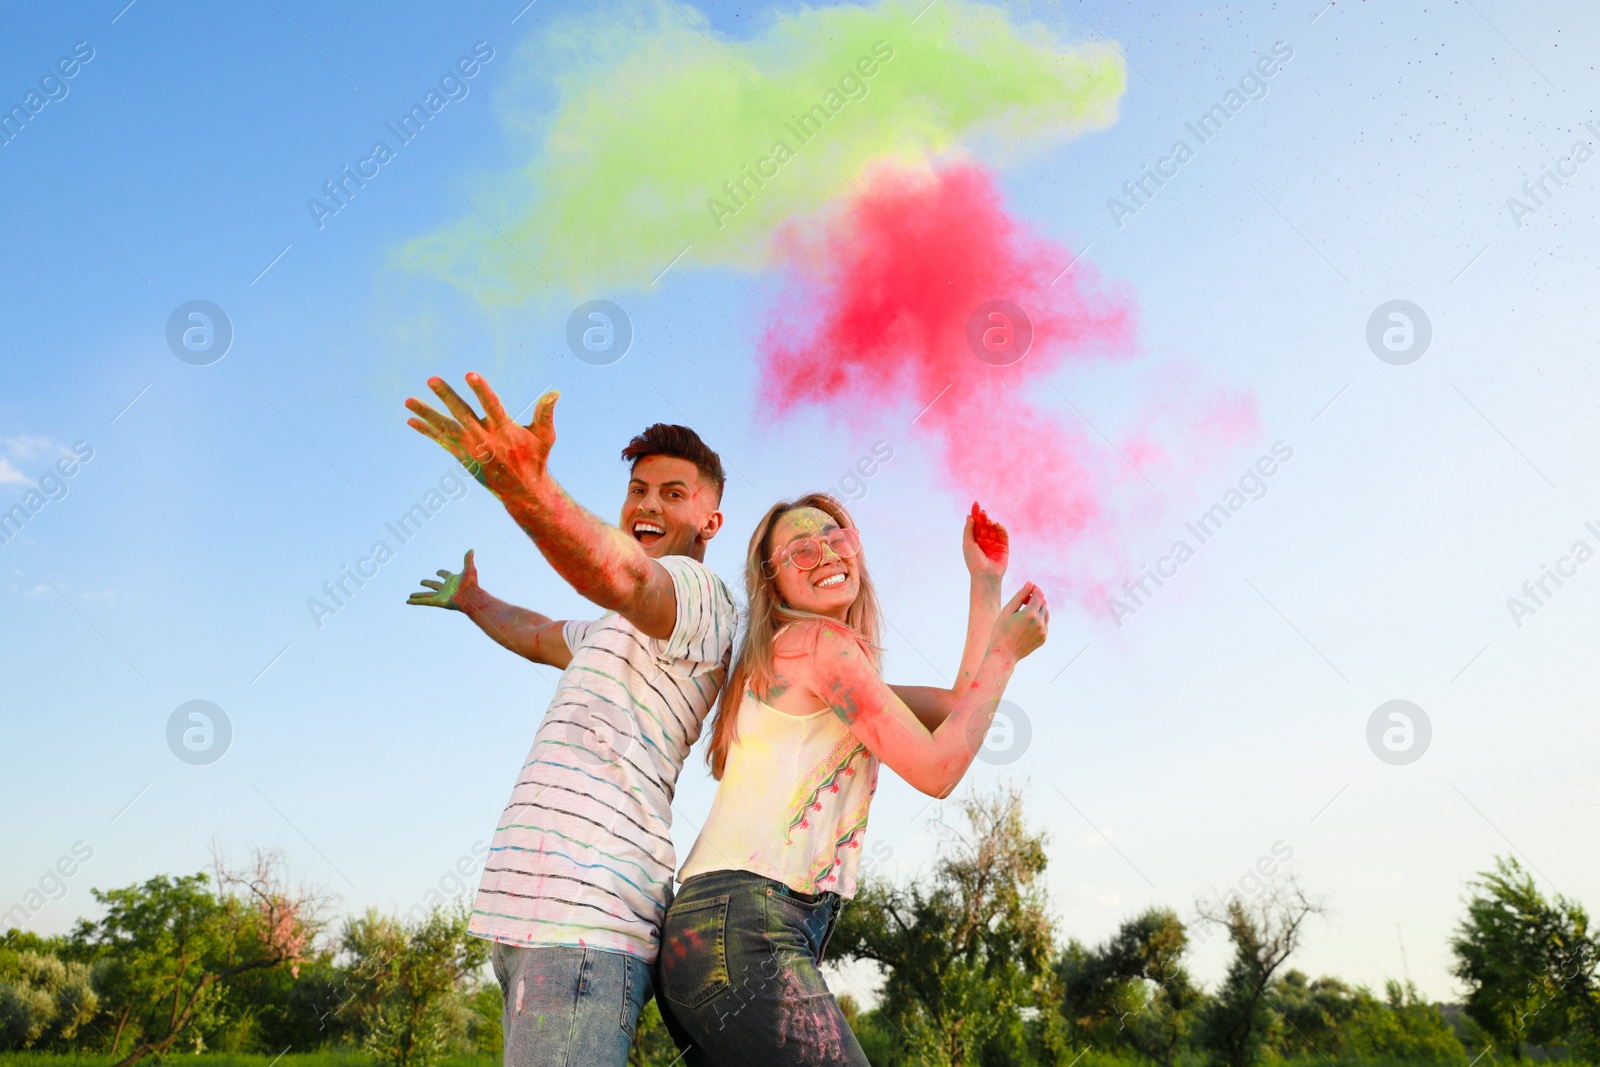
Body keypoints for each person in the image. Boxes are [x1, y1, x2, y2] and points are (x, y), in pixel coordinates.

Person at [404, 373, 737, 1067]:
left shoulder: (701, 601)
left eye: (674, 493)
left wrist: (525, 488)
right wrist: (476, 600)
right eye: (639, 489)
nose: (648, 504)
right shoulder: (615, 631)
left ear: (711, 520)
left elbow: (622, 576)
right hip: (528, 919)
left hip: (588, 917)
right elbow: (539, 633)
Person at [656, 493, 1048, 1065]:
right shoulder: (821, 645)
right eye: (800, 550)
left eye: (835, 538)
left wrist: (985, 581)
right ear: (772, 582)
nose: (825, 553)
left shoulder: (796, 659)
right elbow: (939, 770)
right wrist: (1006, 655)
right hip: (747, 927)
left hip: (706, 938)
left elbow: (961, 708)